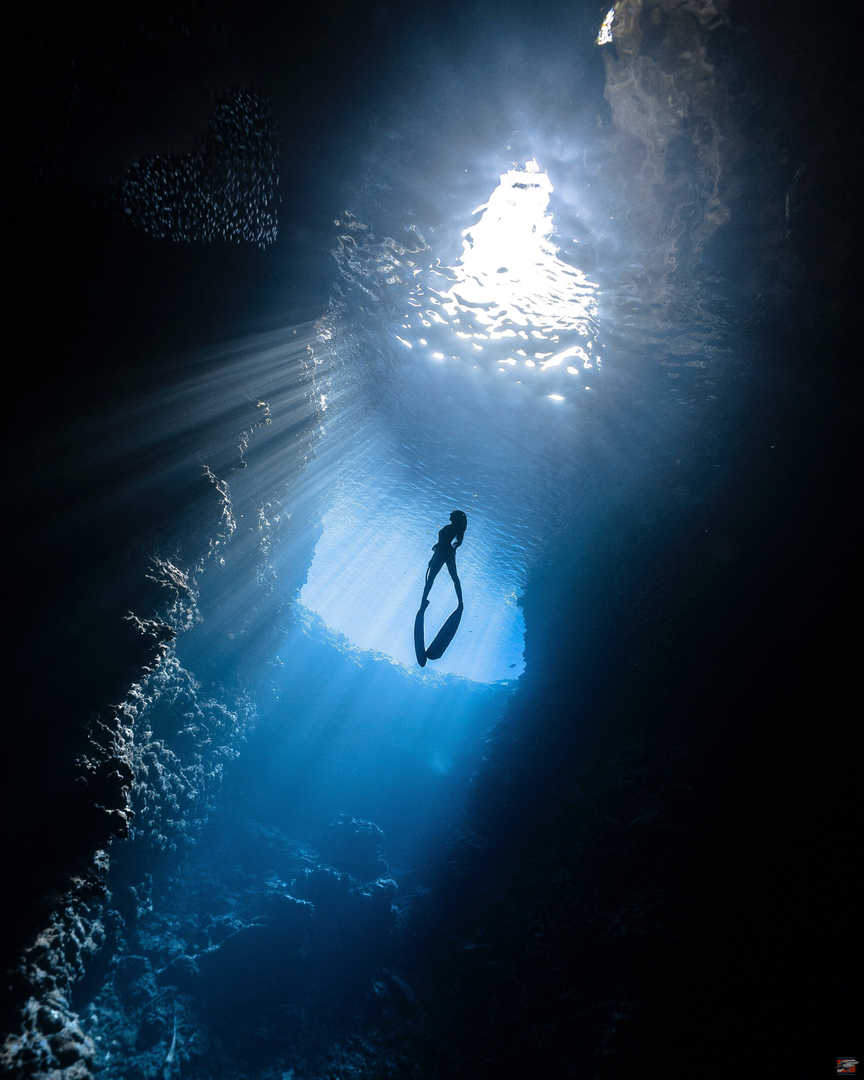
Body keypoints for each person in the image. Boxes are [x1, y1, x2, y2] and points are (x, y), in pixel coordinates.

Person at [421, 510, 467, 609]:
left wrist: (436, 555)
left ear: (455, 518)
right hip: (442, 554)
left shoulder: (453, 528)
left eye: (452, 514)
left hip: (442, 554)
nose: (450, 514)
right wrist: (433, 557)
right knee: (450, 577)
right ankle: (460, 602)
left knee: (433, 578)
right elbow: (443, 543)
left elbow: (448, 543)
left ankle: (460, 602)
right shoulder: (451, 528)